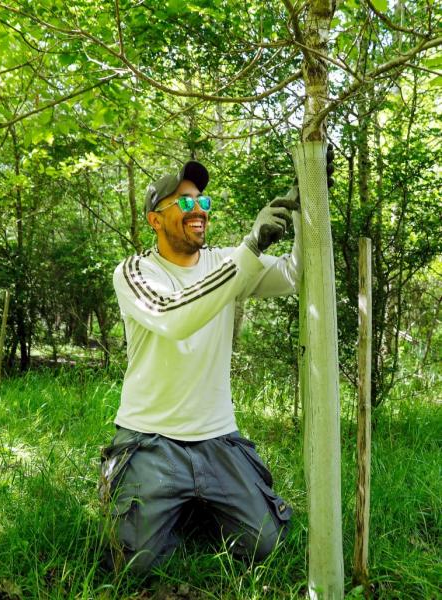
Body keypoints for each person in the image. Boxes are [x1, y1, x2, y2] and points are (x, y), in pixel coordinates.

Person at [100, 159, 308, 574]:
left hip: (217, 438)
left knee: (267, 546)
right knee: (131, 564)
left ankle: (194, 505)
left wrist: (308, 208)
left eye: (203, 201)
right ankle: (175, 502)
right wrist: (249, 249)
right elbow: (175, 317)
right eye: (185, 202)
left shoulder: (225, 263)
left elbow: (296, 274)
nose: (199, 210)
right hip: (150, 438)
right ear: (154, 219)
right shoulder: (134, 272)